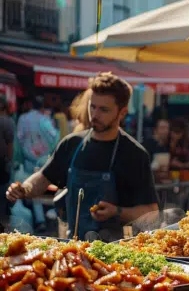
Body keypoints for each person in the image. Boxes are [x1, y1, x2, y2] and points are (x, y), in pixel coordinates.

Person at [6, 72, 159, 241]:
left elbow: (151, 212)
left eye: (103, 109)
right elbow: (43, 178)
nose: (95, 114)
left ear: (122, 113)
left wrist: (117, 212)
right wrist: (24, 188)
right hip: (73, 245)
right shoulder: (71, 144)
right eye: (92, 106)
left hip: (115, 251)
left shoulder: (134, 155)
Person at [14, 96, 59, 232]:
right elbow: (54, 138)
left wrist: (21, 158)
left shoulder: (23, 119)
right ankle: (44, 217)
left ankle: (39, 219)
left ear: (30, 105)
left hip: (28, 160)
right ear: (42, 107)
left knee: (31, 186)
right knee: (41, 187)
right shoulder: (45, 119)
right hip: (44, 160)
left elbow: (19, 140)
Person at [0, 95, 14, 231]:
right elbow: (10, 145)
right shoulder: (7, 121)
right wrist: (9, 162)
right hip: (2, 164)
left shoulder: (6, 121)